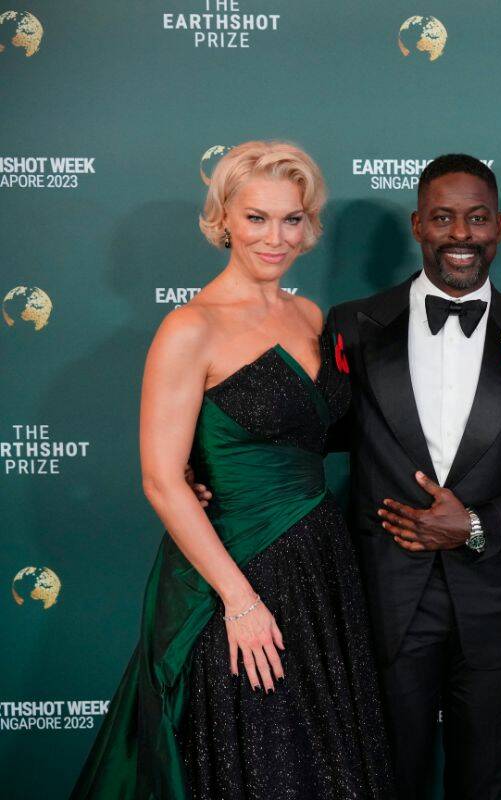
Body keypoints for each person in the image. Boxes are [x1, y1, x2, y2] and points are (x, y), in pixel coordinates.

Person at [72, 141, 394, 799]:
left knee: (325, 764)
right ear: (223, 220)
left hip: (320, 569)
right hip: (233, 577)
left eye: (291, 219)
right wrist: (240, 602)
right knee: (257, 760)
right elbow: (163, 480)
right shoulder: (190, 328)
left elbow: (316, 436)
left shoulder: (309, 318)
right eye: (256, 218)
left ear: (308, 226)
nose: (275, 237)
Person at [326, 154, 501, 799]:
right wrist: (215, 467)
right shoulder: (353, 326)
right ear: (417, 225)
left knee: (482, 782)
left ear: (499, 227)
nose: (460, 234)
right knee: (388, 778)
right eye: (443, 217)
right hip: (385, 594)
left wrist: (473, 526)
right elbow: (304, 438)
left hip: (496, 598)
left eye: (475, 218)